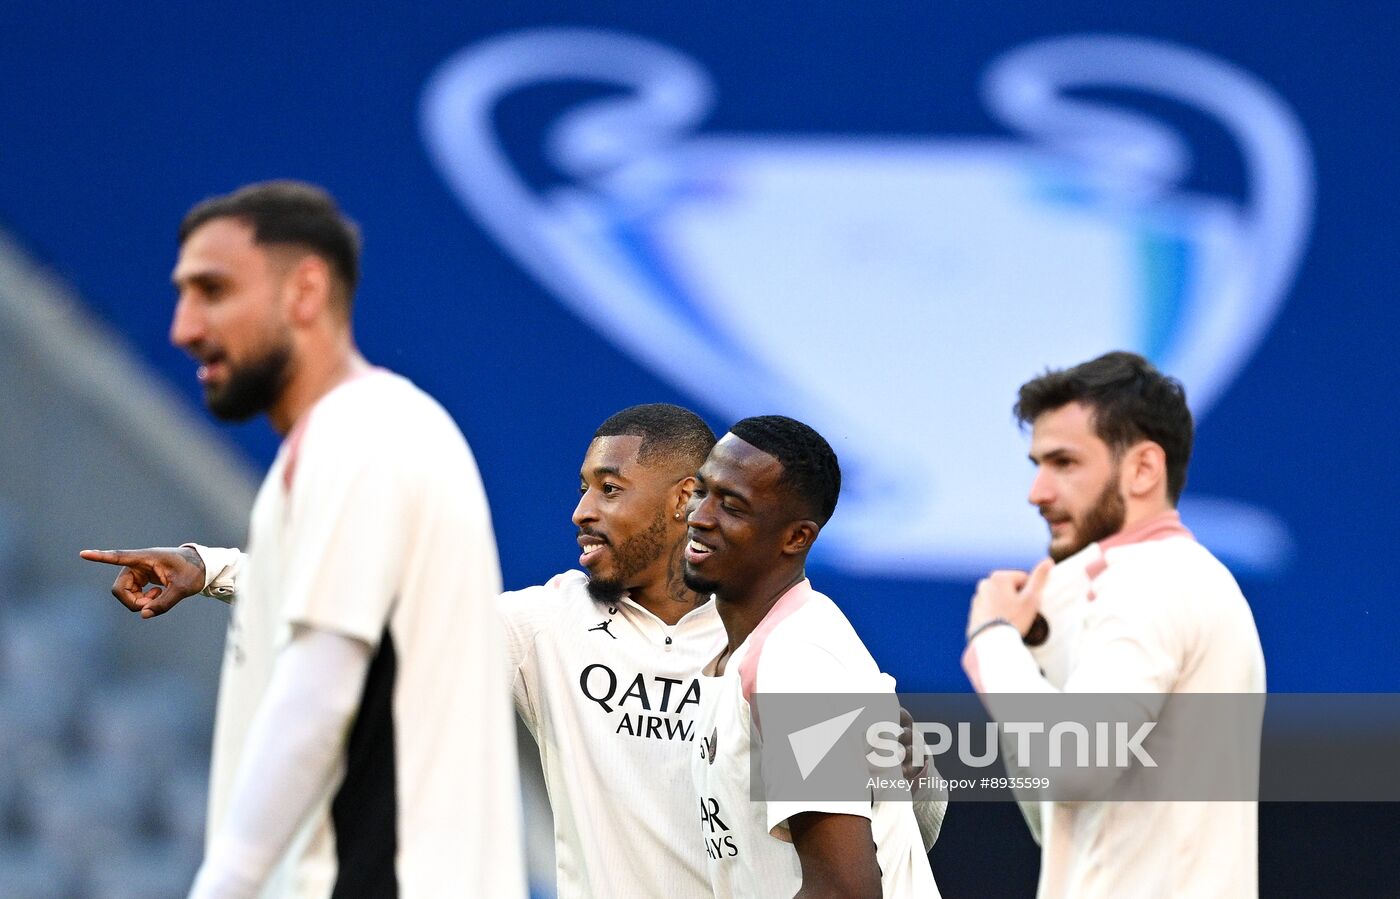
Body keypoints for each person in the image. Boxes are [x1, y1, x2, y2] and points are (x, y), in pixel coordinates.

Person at [91, 403, 945, 898]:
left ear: (684, 498)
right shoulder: (551, 626)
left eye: (609, 488)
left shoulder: (783, 651)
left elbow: (877, 854)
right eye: (582, 487)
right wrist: (213, 568)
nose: (581, 510)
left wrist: (916, 778)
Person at [80, 181, 525, 898]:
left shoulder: (363, 438)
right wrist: (209, 567)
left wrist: (223, 886)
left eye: (213, 290)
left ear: (306, 291)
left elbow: (320, 691)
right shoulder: (352, 439)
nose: (183, 328)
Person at [961, 351, 1266, 898]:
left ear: (1144, 468)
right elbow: (1061, 819)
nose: (1038, 493)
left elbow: (1071, 767)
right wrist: (1032, 655)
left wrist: (993, 639)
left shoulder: (1150, 580)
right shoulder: (1180, 578)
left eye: (1064, 463)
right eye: (1038, 465)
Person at [685, 415, 940, 898]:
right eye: (701, 491)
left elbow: (845, 889)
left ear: (796, 538)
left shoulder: (797, 661)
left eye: (732, 506)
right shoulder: (748, 651)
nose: (700, 516)